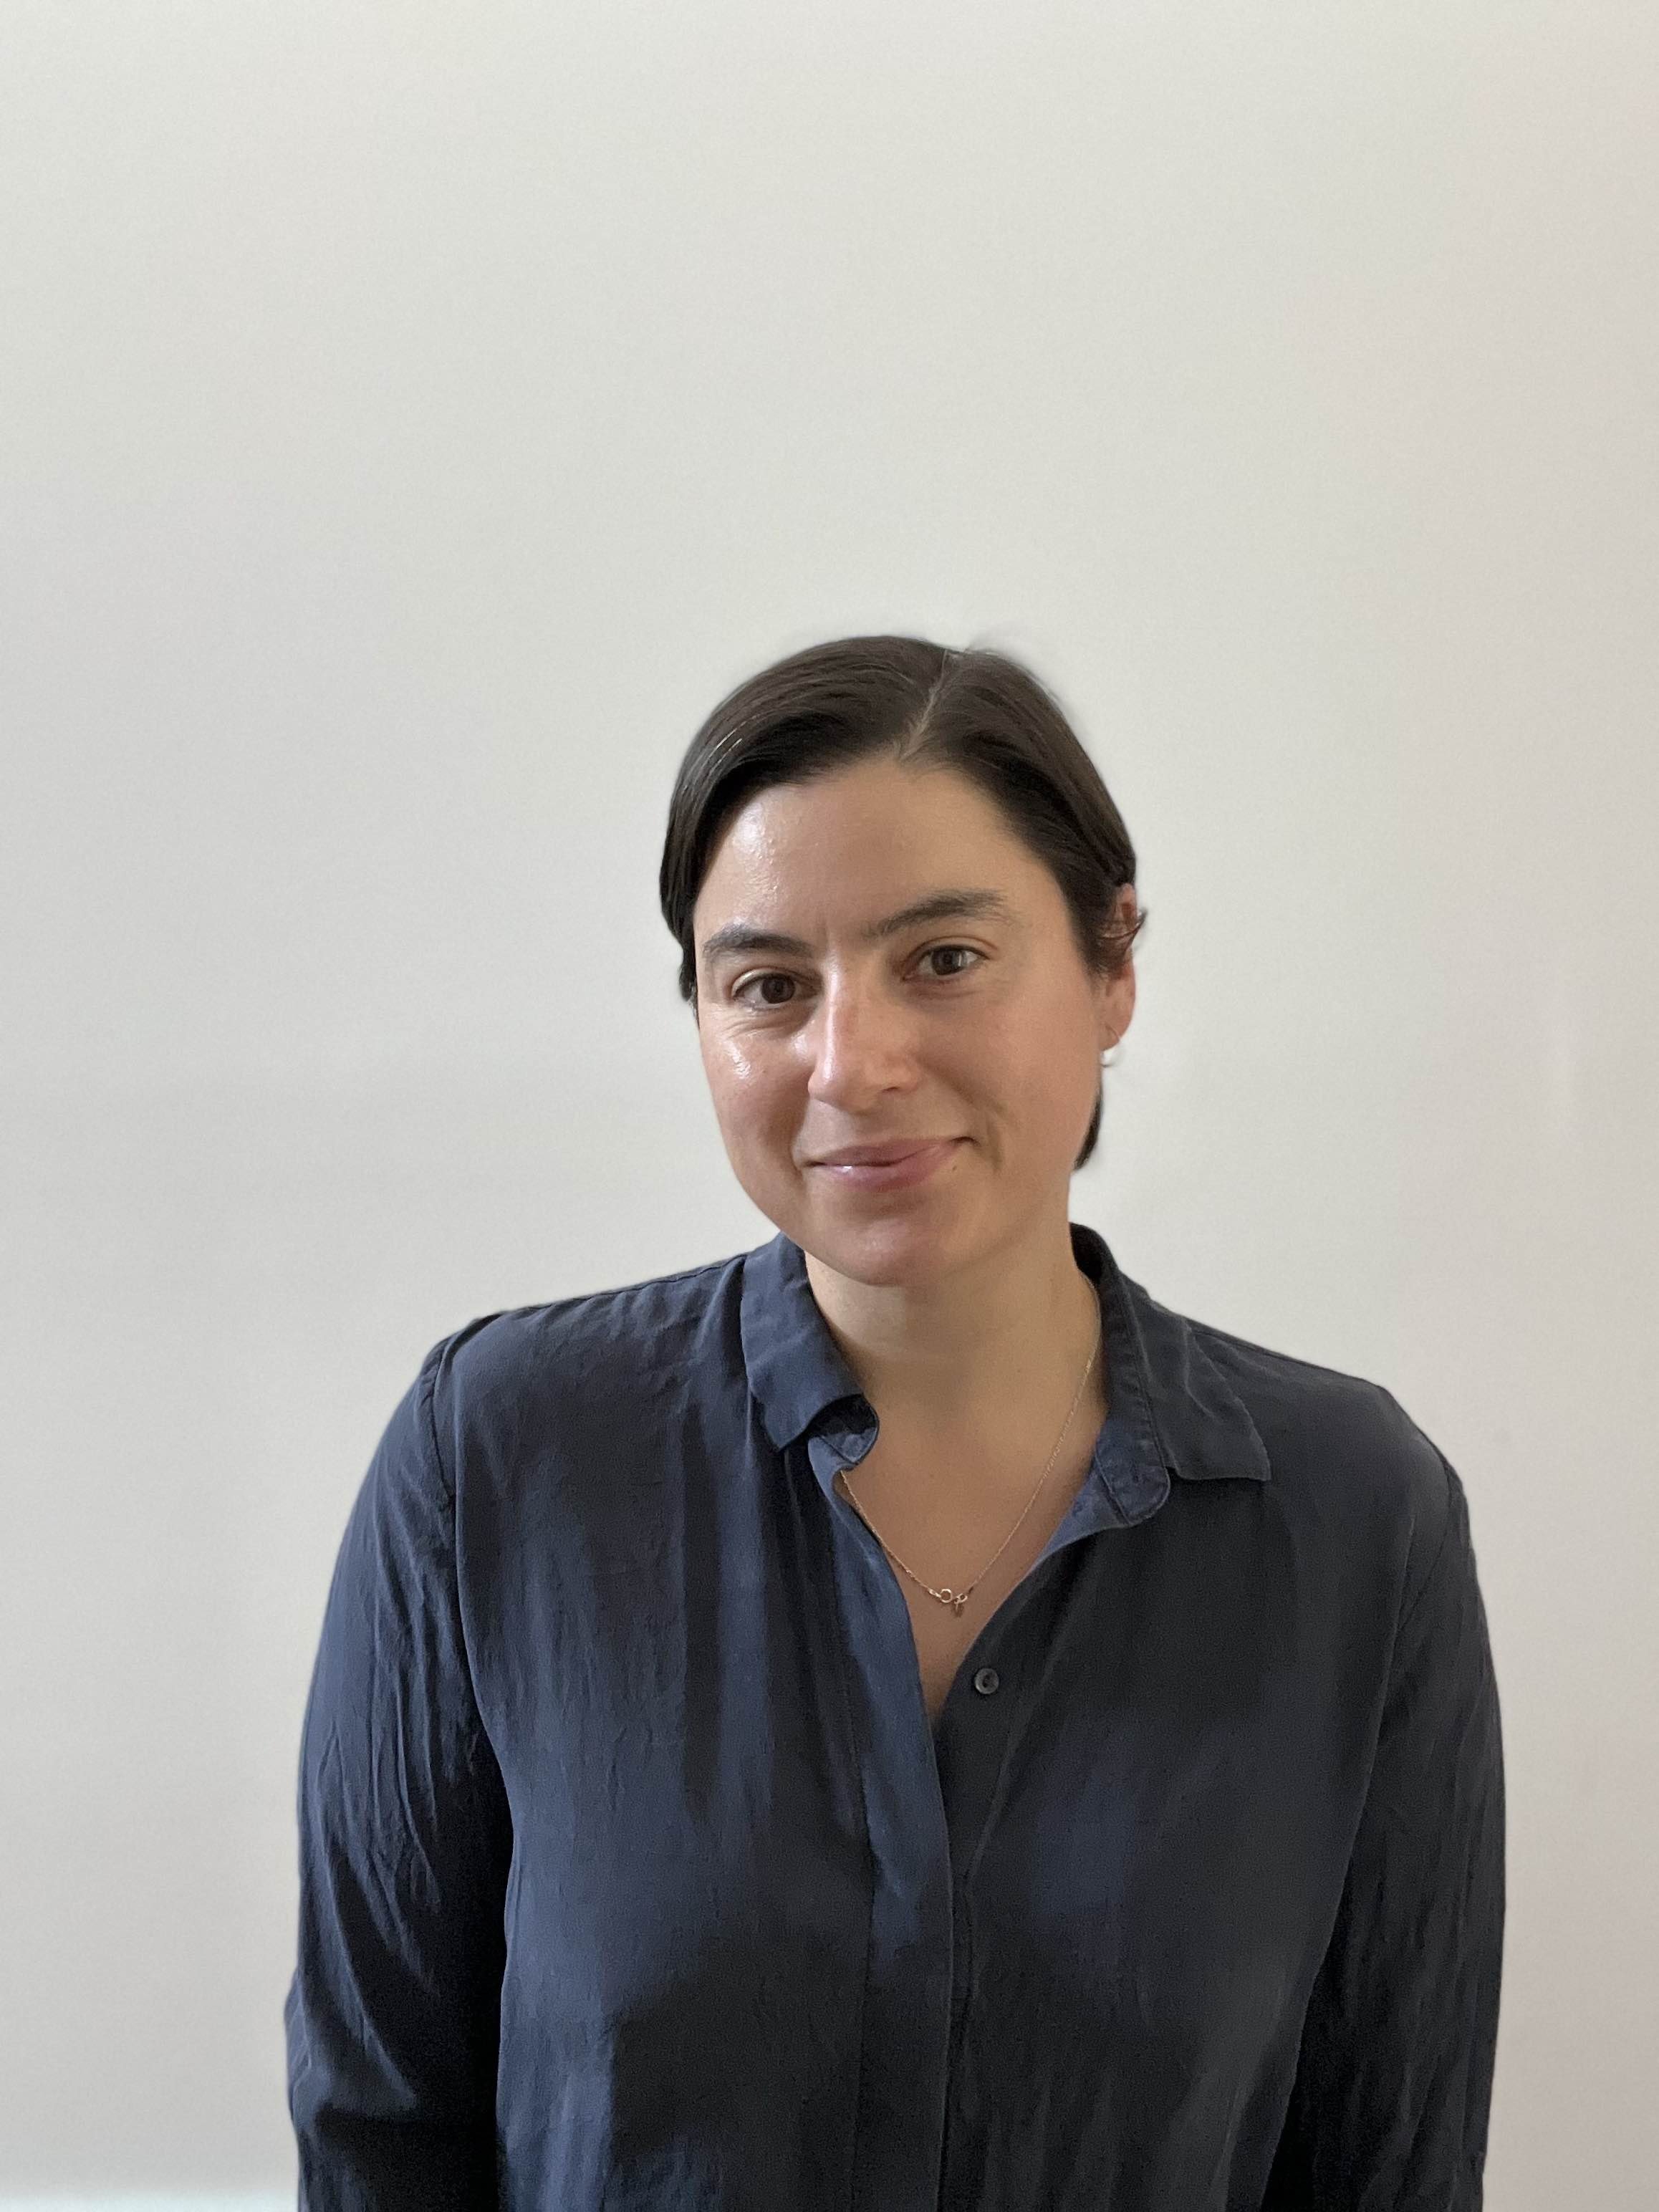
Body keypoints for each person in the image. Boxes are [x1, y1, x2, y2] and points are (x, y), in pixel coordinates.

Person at [285, 634, 1504, 2208]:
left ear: (1113, 963)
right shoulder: (498, 1460)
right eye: (770, 984)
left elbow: (1390, 2166)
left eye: (944, 958)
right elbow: (379, 2135)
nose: (851, 1062)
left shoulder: (1355, 1516)